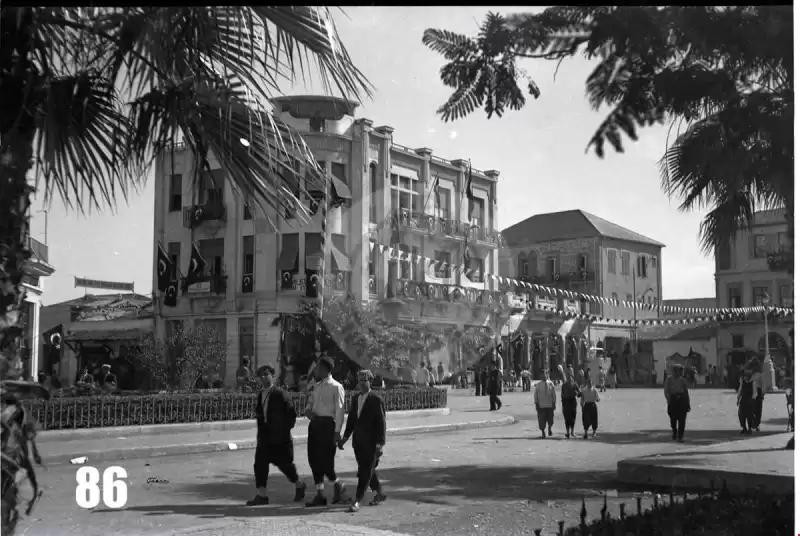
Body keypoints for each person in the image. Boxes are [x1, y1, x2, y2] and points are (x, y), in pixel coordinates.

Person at [246, 365, 306, 506]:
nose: (263, 377)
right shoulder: (261, 394)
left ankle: (299, 484)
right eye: (261, 375)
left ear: (272, 376)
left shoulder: (280, 393)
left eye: (266, 374)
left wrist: (284, 431)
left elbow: (291, 414)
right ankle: (262, 495)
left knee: (285, 465)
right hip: (265, 437)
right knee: (260, 464)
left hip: (280, 437)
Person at [338, 370, 387, 512]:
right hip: (358, 443)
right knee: (366, 469)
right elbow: (352, 421)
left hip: (371, 444)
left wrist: (380, 444)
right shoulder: (355, 399)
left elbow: (381, 424)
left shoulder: (376, 400)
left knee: (364, 472)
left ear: (370, 382)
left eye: (364, 380)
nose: (360, 383)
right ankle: (379, 493)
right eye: (359, 380)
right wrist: (345, 438)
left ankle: (357, 500)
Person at [304, 355, 346, 507]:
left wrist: (337, 431)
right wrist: (308, 411)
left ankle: (339, 485)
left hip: (328, 426)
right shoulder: (316, 386)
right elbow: (310, 403)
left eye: (318, 367)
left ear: (324, 369)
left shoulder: (336, 387)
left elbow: (340, 411)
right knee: (313, 460)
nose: (316, 370)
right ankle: (320, 494)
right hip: (315, 425)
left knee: (327, 463)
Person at [664, 364, 691, 442]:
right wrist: (669, 399)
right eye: (680, 370)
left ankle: (680, 436)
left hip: (681, 399)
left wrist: (687, 403)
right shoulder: (669, 379)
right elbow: (666, 390)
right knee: (673, 418)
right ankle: (674, 431)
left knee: (682, 419)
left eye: (681, 370)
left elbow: (686, 391)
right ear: (675, 371)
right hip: (672, 399)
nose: (681, 372)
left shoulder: (682, 380)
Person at [533, 369, 557, 438]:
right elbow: (536, 395)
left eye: (545, 374)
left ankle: (549, 428)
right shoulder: (538, 385)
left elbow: (554, 394)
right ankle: (543, 432)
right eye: (542, 374)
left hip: (549, 405)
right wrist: (536, 403)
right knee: (541, 420)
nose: (544, 376)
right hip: (541, 406)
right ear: (540, 376)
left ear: (547, 375)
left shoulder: (550, 383)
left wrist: (554, 403)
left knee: (550, 420)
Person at [737, 368, 757, 435]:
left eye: (745, 376)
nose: (744, 377)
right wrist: (738, 399)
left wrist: (752, 400)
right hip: (743, 400)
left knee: (749, 415)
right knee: (741, 415)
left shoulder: (753, 383)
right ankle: (744, 428)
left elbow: (755, 393)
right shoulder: (742, 382)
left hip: (750, 400)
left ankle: (749, 428)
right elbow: (740, 390)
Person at [561, 371, 580, 438]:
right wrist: (563, 403)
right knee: (566, 417)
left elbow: (579, 394)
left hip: (572, 402)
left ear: (572, 378)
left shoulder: (575, 385)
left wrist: (577, 393)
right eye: (568, 377)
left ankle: (572, 431)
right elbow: (562, 394)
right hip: (566, 402)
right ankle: (567, 432)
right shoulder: (564, 385)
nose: (569, 379)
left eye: (571, 378)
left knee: (573, 417)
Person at [750, 360, 764, 431]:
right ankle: (757, 424)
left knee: (752, 409)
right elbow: (763, 386)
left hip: (753, 392)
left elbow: (750, 384)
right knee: (758, 410)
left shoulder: (752, 376)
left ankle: (754, 423)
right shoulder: (761, 375)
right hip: (759, 392)